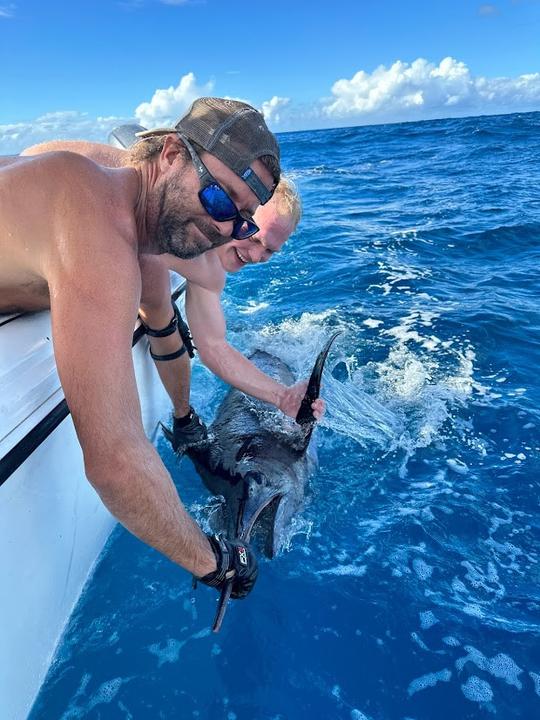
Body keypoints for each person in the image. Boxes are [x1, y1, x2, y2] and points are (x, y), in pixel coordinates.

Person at [1, 98, 285, 601]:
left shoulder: (135, 213)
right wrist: (217, 563)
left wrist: (185, 418)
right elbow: (114, 462)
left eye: (242, 221)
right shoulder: (98, 231)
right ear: (172, 152)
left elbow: (164, 323)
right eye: (220, 199)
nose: (224, 228)